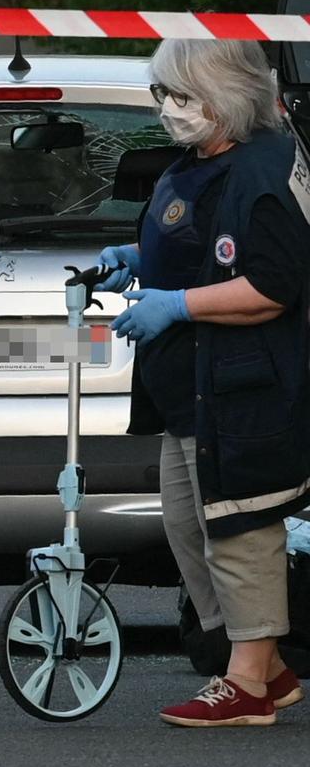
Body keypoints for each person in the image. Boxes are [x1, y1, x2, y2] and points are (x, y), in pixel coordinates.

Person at [97, 38, 310, 727]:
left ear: (228, 96)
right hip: (187, 389)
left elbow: (274, 284)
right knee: (191, 526)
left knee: (240, 526)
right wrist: (137, 257)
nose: (170, 111)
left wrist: (178, 305)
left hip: (240, 387)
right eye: (163, 95)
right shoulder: (201, 162)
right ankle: (270, 671)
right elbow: (205, 243)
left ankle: (247, 684)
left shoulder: (263, 168)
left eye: (184, 96)